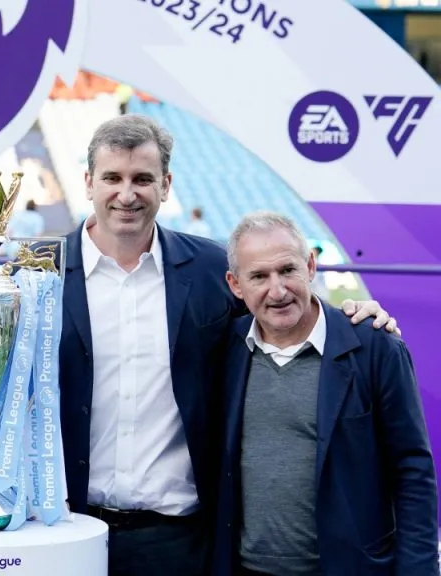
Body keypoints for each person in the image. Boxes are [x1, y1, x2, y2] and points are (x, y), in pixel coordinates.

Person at [58, 114, 397, 576]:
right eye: (112, 178)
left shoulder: (210, 269)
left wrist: (353, 318)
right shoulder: (41, 271)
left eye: (143, 179)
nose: (127, 193)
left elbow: (281, 313)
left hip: (179, 542)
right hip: (68, 531)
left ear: (166, 185)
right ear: (88, 183)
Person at [213, 212, 438, 576]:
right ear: (236, 285)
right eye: (259, 276)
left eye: (287, 270)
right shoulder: (224, 348)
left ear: (310, 266)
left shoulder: (375, 348)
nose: (277, 290)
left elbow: (412, 471)